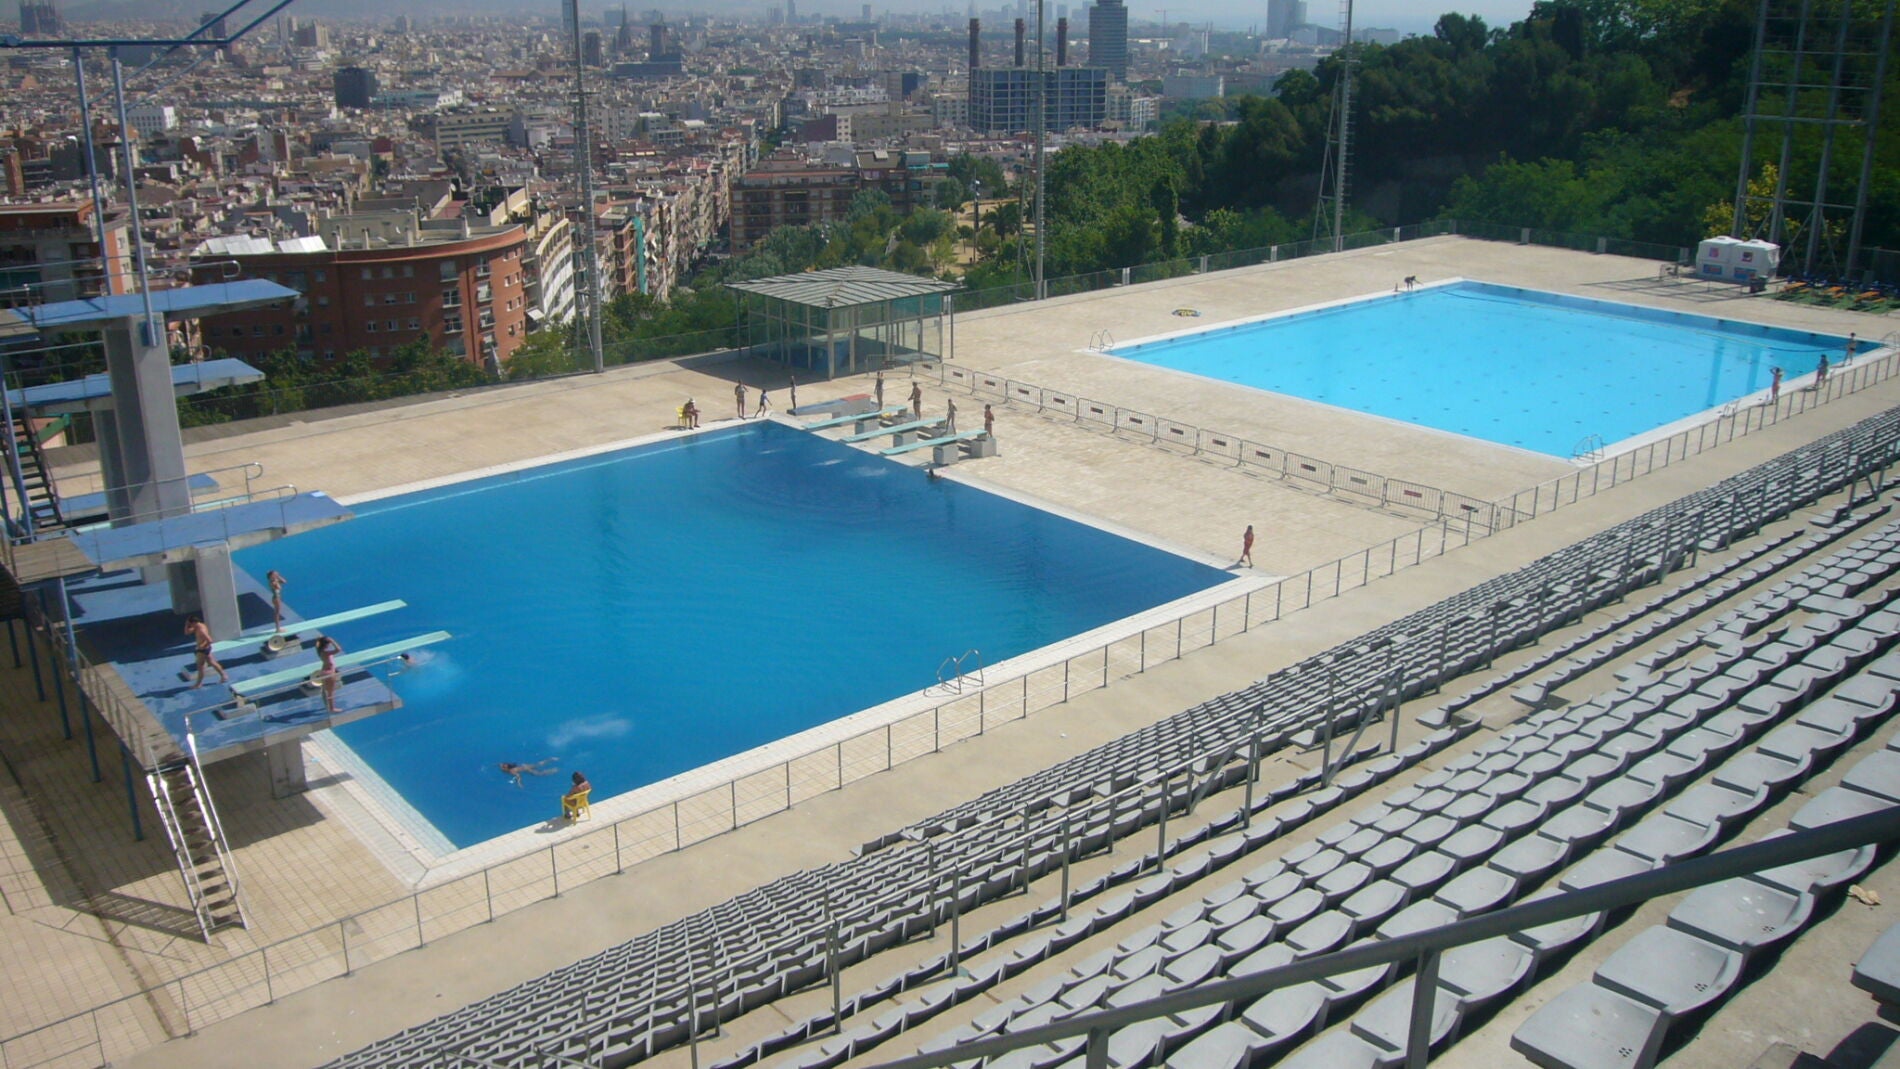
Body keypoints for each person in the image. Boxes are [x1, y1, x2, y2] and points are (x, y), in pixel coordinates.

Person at [185, 614, 228, 688]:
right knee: (212, 662)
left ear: (194, 623)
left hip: (203, 650)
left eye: (190, 624)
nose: (190, 625)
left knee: (200, 667)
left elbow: (210, 640)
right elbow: (187, 632)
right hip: (206, 649)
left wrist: (202, 646)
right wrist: (186, 625)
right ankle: (224, 676)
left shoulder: (201, 629)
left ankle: (198, 684)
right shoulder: (199, 626)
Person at [314, 635, 342, 713]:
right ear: (326, 644)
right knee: (330, 691)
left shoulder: (319, 650)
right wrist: (332, 640)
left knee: (325, 690)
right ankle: (332, 708)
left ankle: (327, 705)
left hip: (324, 671)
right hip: (329, 673)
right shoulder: (326, 652)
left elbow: (317, 644)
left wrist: (318, 639)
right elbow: (338, 649)